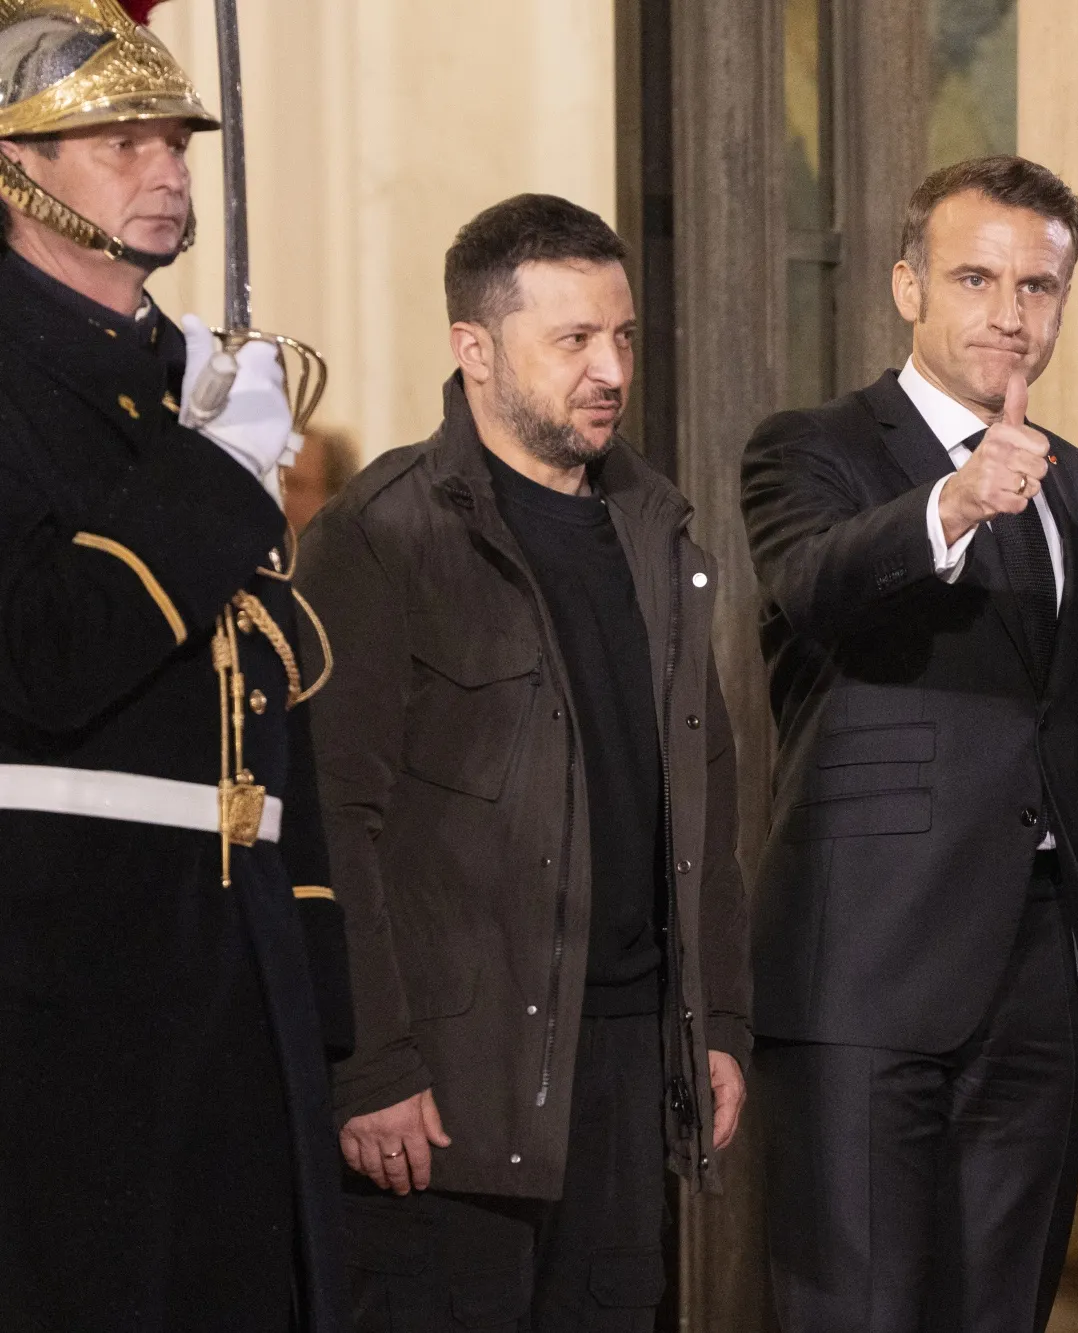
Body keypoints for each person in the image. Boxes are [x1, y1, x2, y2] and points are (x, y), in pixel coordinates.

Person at [295, 193, 750, 1330]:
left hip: (626, 1074)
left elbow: (703, 813)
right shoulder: (380, 534)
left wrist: (719, 1025)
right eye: (573, 340)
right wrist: (369, 1064)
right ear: (475, 351)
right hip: (448, 1088)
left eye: (623, 336)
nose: (610, 368)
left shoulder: (657, 531)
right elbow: (328, 817)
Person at [0, 2, 353, 1328]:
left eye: (177, 143)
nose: (168, 170)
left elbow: (265, 686)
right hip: (58, 948)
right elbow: (40, 655)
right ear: (18, 164)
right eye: (120, 142)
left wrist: (315, 979)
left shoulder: (185, 370)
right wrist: (212, 480)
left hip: (233, 944)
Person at [740, 155, 1078, 1332]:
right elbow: (815, 582)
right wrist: (949, 506)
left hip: (1041, 973)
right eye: (974, 277)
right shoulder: (811, 447)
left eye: (1037, 287)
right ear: (907, 287)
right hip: (864, 966)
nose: (1008, 312)